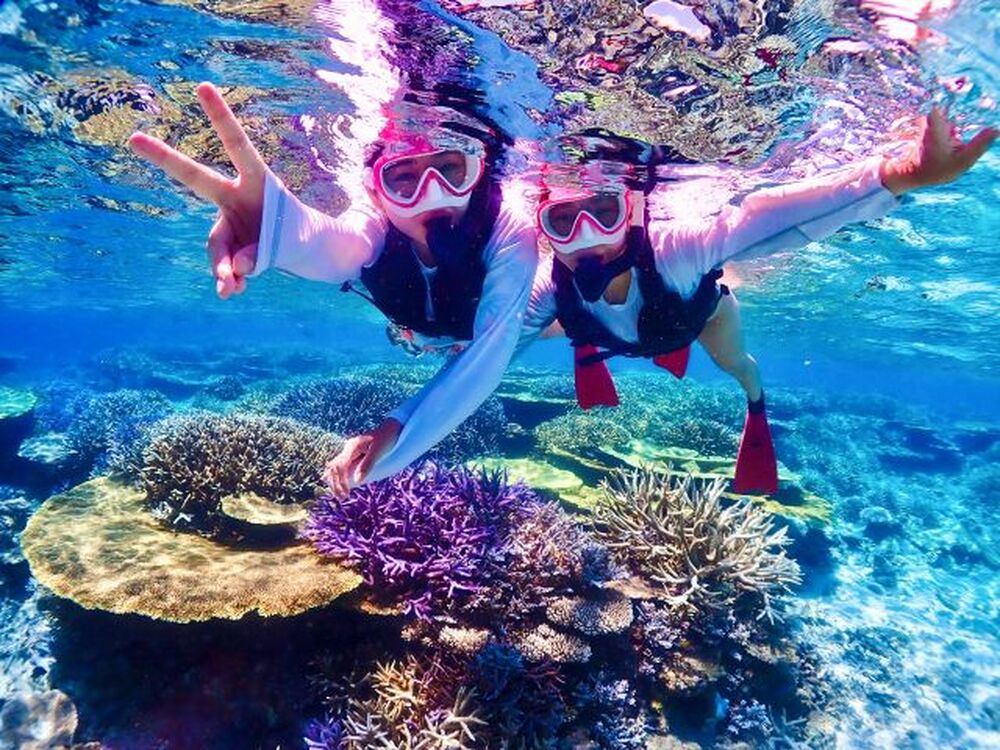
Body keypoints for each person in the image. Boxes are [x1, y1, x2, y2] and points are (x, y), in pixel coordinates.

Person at [525, 109, 996, 494]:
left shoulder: (677, 249)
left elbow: (767, 218)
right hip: (621, 329)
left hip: (701, 317)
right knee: (556, 323)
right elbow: (501, 336)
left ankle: (755, 401)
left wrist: (902, 175)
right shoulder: (551, 283)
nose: (585, 236)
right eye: (562, 222)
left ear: (630, 209)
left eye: (603, 212)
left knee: (736, 365)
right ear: (543, 227)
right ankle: (588, 338)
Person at [129, 83, 537, 495]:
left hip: (491, 326)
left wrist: (394, 435)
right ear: (375, 193)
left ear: (478, 170)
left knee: (542, 315)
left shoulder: (509, 231)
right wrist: (278, 229)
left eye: (450, 169)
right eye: (403, 179)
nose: (432, 194)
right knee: (419, 336)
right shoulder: (373, 222)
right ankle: (413, 338)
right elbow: (339, 248)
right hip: (416, 330)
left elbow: (487, 358)